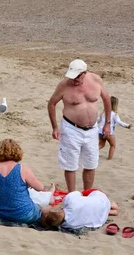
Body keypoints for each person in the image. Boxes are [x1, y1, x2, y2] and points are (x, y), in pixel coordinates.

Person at [48, 59, 111, 192]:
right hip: (71, 128)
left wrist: (107, 123)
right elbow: (52, 103)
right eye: (72, 77)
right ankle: (72, 195)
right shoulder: (64, 85)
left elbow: (106, 99)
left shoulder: (95, 80)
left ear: (84, 73)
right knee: (70, 165)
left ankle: (87, 194)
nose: (74, 80)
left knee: (91, 163)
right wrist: (55, 127)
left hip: (92, 129)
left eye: (77, 77)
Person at [0, 139, 46, 224]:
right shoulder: (22, 169)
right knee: (41, 208)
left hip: (0, 214)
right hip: (24, 215)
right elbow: (40, 187)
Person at [41, 190, 118, 230]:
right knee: (86, 192)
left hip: (100, 217)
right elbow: (79, 193)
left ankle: (111, 211)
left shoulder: (68, 225)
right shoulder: (70, 200)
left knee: (89, 211)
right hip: (101, 200)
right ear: (54, 211)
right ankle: (112, 205)